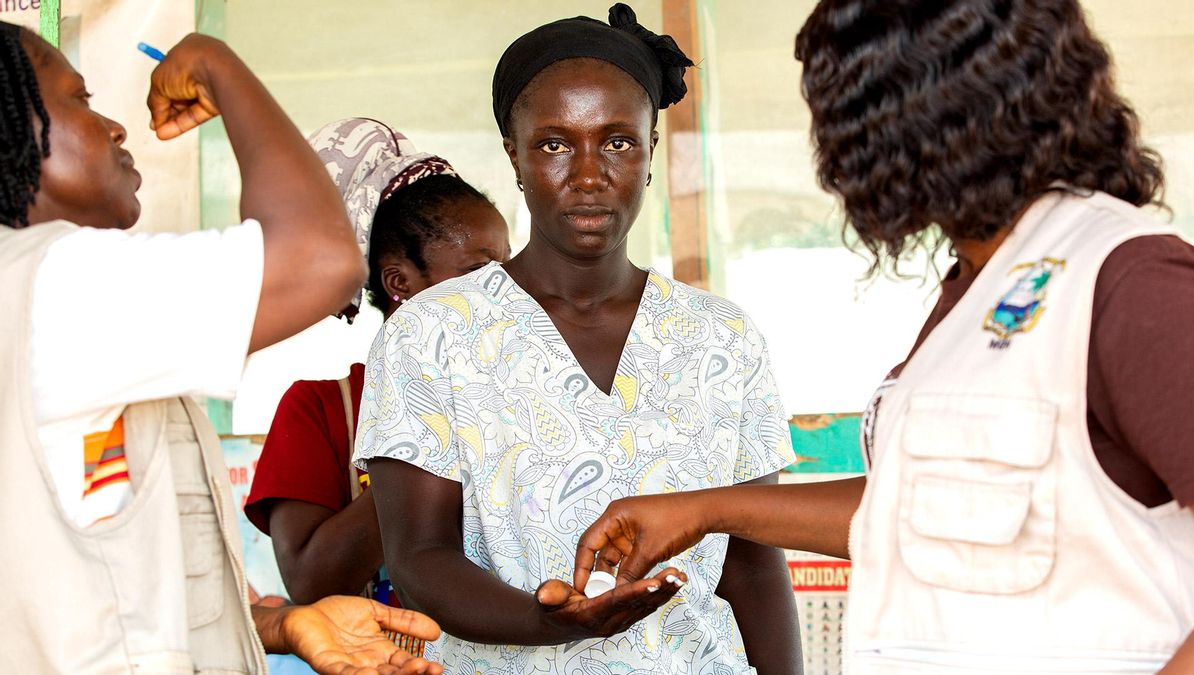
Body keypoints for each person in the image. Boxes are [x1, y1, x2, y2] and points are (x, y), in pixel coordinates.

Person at [574, 0, 1194, 672]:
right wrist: (703, 510)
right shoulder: (979, 289)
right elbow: (919, 510)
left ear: (901, 123)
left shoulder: (1131, 281)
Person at [353, 4, 803, 673]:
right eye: (556, 143)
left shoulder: (722, 337)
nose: (589, 175)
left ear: (651, 155)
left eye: (619, 142)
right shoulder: (431, 335)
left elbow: (754, 566)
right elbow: (420, 557)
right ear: (515, 155)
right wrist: (545, 620)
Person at [0, 25, 440, 674]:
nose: (115, 129)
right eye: (82, 100)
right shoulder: (55, 286)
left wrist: (281, 621)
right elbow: (320, 256)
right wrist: (217, 65)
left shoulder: (49, 303)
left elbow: (103, 584)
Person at [245, 118, 510, 623]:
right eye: (479, 273)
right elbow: (311, 582)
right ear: (400, 283)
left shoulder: (527, 391)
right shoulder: (320, 410)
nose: (507, 290)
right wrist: (432, 436)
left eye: (508, 269)